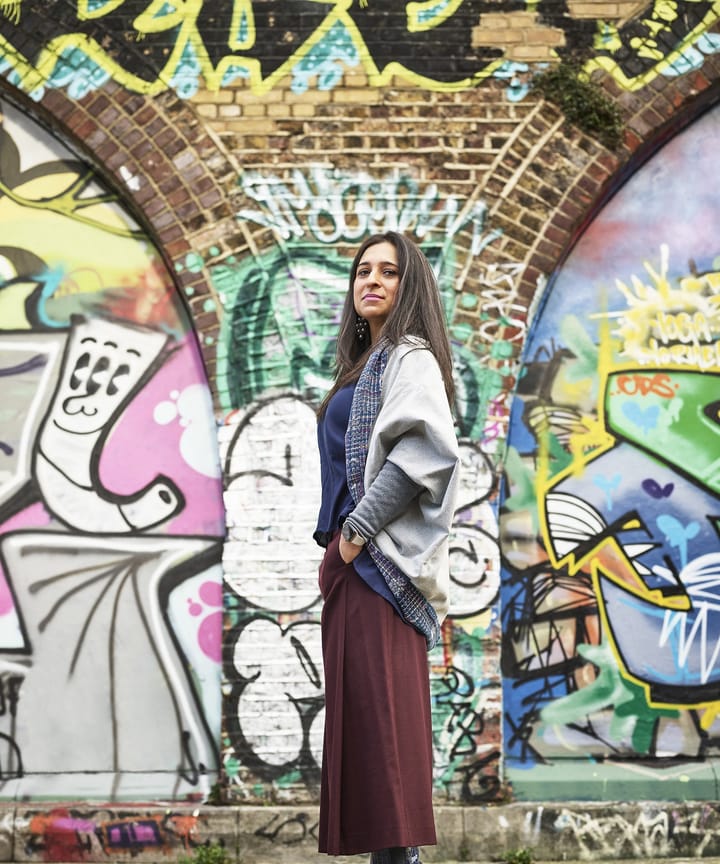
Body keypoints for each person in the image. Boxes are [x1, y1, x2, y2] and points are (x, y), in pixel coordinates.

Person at [314, 232, 460, 864]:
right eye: (362, 271)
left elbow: (420, 456)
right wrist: (337, 557)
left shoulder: (409, 357)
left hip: (378, 570)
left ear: (410, 285)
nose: (371, 281)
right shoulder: (365, 366)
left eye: (389, 272)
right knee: (373, 752)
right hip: (352, 570)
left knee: (386, 751)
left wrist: (351, 539)